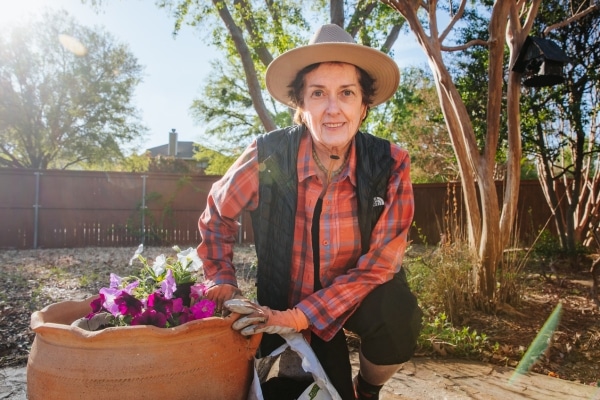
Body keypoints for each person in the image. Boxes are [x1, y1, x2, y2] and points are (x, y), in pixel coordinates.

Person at [197, 23, 422, 400]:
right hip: (281, 301)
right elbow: (218, 212)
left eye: (346, 93)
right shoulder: (268, 154)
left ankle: (367, 389)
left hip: (354, 299)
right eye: (318, 93)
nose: (333, 109)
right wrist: (220, 277)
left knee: (398, 313)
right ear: (301, 106)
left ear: (364, 106)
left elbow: (381, 264)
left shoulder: (391, 164)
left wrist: (302, 316)